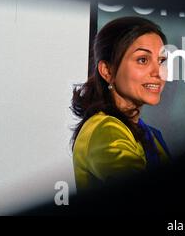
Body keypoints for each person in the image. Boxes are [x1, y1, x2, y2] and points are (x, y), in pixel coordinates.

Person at [70, 16, 171, 191]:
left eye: (161, 61)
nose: (158, 72)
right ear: (107, 71)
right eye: (143, 60)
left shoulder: (147, 133)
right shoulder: (104, 130)